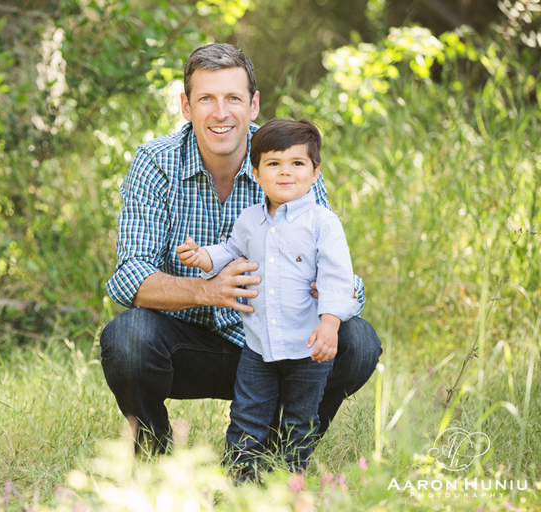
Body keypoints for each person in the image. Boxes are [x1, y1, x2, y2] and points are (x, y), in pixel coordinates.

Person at [100, 42, 382, 454]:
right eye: (206, 99)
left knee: (358, 342)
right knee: (127, 337)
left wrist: (330, 294)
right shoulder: (155, 161)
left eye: (232, 98)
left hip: (276, 346)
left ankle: (280, 452)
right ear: (185, 106)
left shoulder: (287, 161)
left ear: (253, 105)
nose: (220, 112)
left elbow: (338, 271)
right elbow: (130, 278)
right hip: (186, 342)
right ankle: (154, 451)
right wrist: (207, 290)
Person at [177, 118, 357, 478]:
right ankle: (239, 481)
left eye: (297, 164)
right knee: (248, 414)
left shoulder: (323, 223)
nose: (286, 173)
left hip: (308, 347)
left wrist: (329, 324)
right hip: (258, 346)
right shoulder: (249, 220)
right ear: (256, 174)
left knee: (300, 418)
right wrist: (203, 258)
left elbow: (339, 278)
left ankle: (289, 481)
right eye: (274, 164)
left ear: (315, 173)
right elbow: (230, 250)